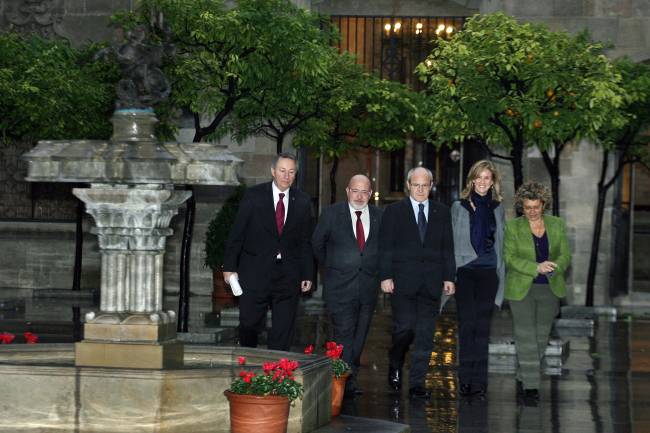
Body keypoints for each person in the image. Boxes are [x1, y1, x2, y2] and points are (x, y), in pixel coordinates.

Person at [223, 153, 313, 351]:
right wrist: (229, 268)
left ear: (295, 174)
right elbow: (237, 233)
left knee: (284, 328)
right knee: (248, 323)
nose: (286, 176)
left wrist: (307, 273)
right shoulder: (254, 196)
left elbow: (305, 241)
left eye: (291, 172)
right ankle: (247, 362)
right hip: (255, 271)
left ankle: (277, 374)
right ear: (273, 171)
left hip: (288, 274)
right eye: (282, 171)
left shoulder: (303, 201)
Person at [379, 167, 456, 399]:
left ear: (431, 186)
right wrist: (385, 276)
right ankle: (395, 359)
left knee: (425, 334)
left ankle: (417, 383)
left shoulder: (442, 212)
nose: (421, 189)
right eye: (416, 185)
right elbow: (385, 246)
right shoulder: (394, 211)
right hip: (403, 281)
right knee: (405, 329)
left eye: (425, 185)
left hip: (431, 283)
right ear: (408, 185)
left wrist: (449, 277)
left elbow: (447, 247)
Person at [312, 174, 383, 397]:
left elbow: (386, 248)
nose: (360, 196)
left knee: (360, 336)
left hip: (368, 287)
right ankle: (345, 381)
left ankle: (347, 375)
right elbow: (317, 244)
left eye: (364, 192)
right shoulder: (332, 214)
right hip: (339, 287)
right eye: (355, 191)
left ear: (370, 194)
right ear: (347, 191)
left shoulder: (380, 216)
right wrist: (332, 268)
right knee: (344, 333)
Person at [504, 182, 570, 400]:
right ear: (521, 207)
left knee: (541, 337)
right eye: (527, 207)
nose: (532, 211)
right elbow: (509, 258)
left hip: (550, 288)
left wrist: (553, 267)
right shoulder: (513, 227)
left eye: (536, 207)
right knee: (525, 336)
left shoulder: (557, 224)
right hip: (521, 288)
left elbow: (565, 255)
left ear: (544, 205)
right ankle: (532, 386)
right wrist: (535, 268)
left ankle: (524, 374)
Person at [451, 160, 505, 398]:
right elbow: (451, 242)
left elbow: (502, 241)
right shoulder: (459, 206)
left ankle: (479, 382)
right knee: (467, 327)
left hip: (488, 272)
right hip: (465, 271)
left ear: (493, 181)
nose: (483, 182)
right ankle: (465, 380)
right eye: (479, 177)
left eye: (487, 178)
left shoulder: (498, 207)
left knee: (482, 328)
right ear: (472, 179)